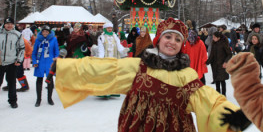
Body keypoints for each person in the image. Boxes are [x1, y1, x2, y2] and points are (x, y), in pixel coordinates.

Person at [54, 17, 251, 132]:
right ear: (158, 40)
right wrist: (66, 68)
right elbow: (104, 70)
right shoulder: (138, 67)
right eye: (168, 36)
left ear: (181, 46)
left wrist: (234, 116)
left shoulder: (186, 75)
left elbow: (210, 100)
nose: (171, 42)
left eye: (177, 39)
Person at [31, 25, 59, 107]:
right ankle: (38, 99)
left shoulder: (53, 39)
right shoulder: (38, 40)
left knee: (49, 80)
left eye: (47, 31)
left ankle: (49, 98)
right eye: (43, 31)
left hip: (50, 62)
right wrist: (34, 61)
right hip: (40, 62)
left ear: (49, 32)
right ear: (41, 32)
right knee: (39, 80)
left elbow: (56, 51)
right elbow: (34, 52)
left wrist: (56, 59)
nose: (45, 33)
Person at [0, 17, 25, 108]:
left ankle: (13, 101)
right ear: (4, 24)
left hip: (12, 63)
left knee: (11, 83)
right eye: (7, 24)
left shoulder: (17, 34)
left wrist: (19, 60)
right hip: (0, 62)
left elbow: (21, 48)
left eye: (11, 24)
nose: (9, 25)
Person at [206, 31, 232, 96]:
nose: (213, 38)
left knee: (222, 81)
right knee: (217, 80)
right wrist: (207, 62)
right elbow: (211, 55)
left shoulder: (224, 44)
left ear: (218, 38)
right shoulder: (213, 43)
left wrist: (226, 62)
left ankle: (223, 95)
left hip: (222, 65)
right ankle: (218, 95)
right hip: (214, 65)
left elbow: (229, 54)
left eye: (214, 37)